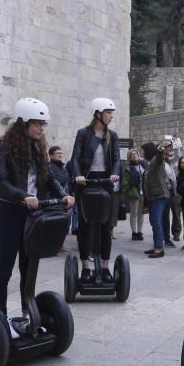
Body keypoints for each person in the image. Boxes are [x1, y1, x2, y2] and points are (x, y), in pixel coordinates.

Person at [0, 98, 74, 331]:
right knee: (4, 270)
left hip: (32, 217)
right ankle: (1, 318)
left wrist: (63, 193)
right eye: (37, 123)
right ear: (22, 123)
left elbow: (48, 177)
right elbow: (2, 183)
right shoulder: (4, 149)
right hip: (10, 217)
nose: (41, 128)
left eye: (43, 124)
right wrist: (22, 196)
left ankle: (27, 312)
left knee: (28, 270)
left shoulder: (38, 149)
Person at [69, 98, 121, 283]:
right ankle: (85, 267)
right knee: (85, 227)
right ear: (98, 113)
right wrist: (77, 175)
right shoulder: (83, 134)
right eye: (108, 113)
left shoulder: (112, 136)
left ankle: (106, 267)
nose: (111, 116)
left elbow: (116, 159)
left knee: (106, 227)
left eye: (111, 113)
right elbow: (75, 158)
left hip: (106, 182)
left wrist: (115, 174)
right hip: (86, 184)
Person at [142, 140, 172, 258]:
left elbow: (160, 158)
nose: (142, 153)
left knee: (156, 221)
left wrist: (160, 151)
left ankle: (159, 249)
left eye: (143, 151)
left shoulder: (156, 160)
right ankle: (156, 246)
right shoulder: (150, 163)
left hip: (159, 196)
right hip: (153, 197)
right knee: (154, 221)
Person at [48, 145, 72, 252]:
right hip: (54, 199)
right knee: (54, 223)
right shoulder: (49, 167)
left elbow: (66, 180)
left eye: (61, 153)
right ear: (51, 155)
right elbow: (54, 182)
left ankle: (60, 244)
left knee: (65, 223)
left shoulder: (63, 167)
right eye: (58, 153)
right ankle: (53, 245)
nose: (60, 155)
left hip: (65, 198)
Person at [122, 148, 146, 240]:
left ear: (138, 155)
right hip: (133, 192)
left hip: (142, 192)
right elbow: (124, 182)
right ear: (129, 157)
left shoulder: (142, 165)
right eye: (131, 155)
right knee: (134, 213)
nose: (134, 155)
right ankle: (134, 232)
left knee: (141, 213)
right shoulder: (127, 168)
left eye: (135, 154)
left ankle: (139, 232)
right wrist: (132, 182)